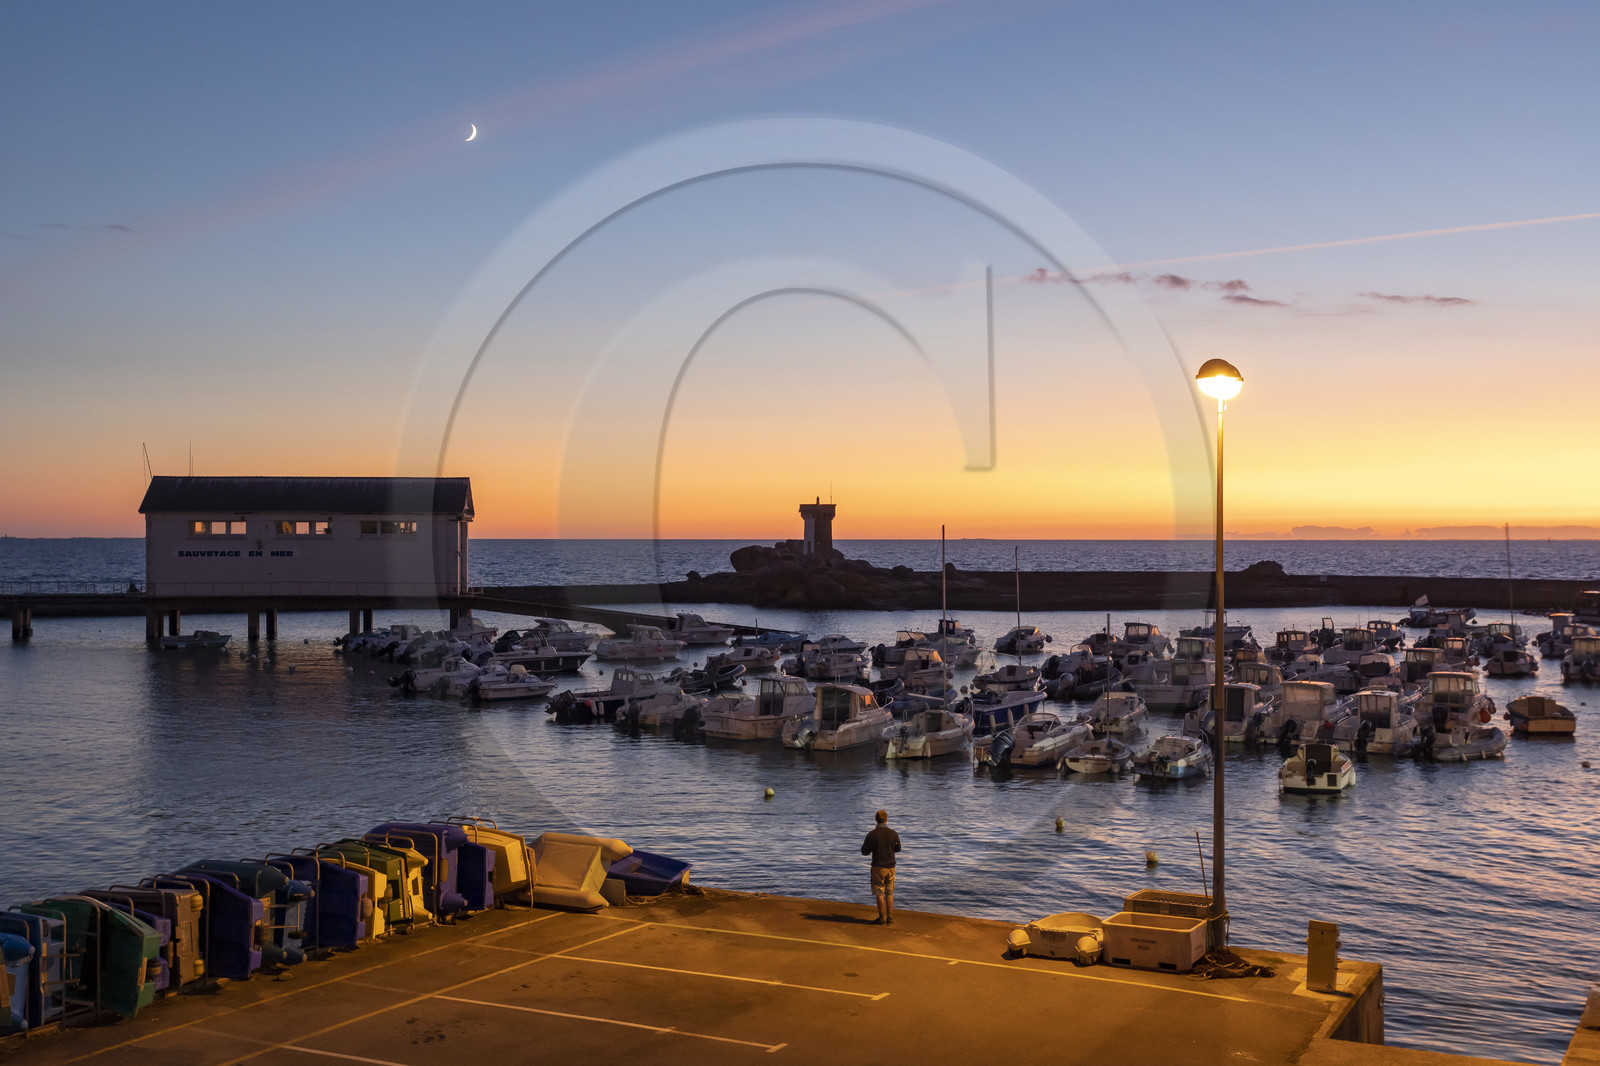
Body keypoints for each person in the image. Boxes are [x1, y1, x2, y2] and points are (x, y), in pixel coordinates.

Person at [860, 809, 901, 925]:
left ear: (876, 820)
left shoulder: (872, 834)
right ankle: (890, 918)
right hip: (891, 867)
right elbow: (898, 849)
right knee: (889, 893)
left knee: (879, 893)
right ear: (886, 819)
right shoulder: (893, 833)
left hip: (878, 867)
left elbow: (864, 851)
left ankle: (882, 918)